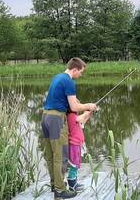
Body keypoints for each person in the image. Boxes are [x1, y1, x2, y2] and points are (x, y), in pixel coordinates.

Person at [41, 57, 97, 199]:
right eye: (80, 72)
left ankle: (55, 184)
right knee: (60, 155)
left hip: (45, 116)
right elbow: (74, 107)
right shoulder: (69, 81)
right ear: (74, 69)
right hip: (56, 119)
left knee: (51, 155)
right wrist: (89, 106)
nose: (80, 75)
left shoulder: (57, 77)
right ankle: (60, 190)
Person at [66, 107, 93, 191]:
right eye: (77, 104)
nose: (79, 106)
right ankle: (72, 185)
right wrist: (86, 113)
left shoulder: (75, 117)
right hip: (74, 145)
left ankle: (74, 182)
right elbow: (80, 119)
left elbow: (82, 122)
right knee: (74, 164)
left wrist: (89, 114)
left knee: (76, 164)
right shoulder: (71, 116)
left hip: (77, 144)